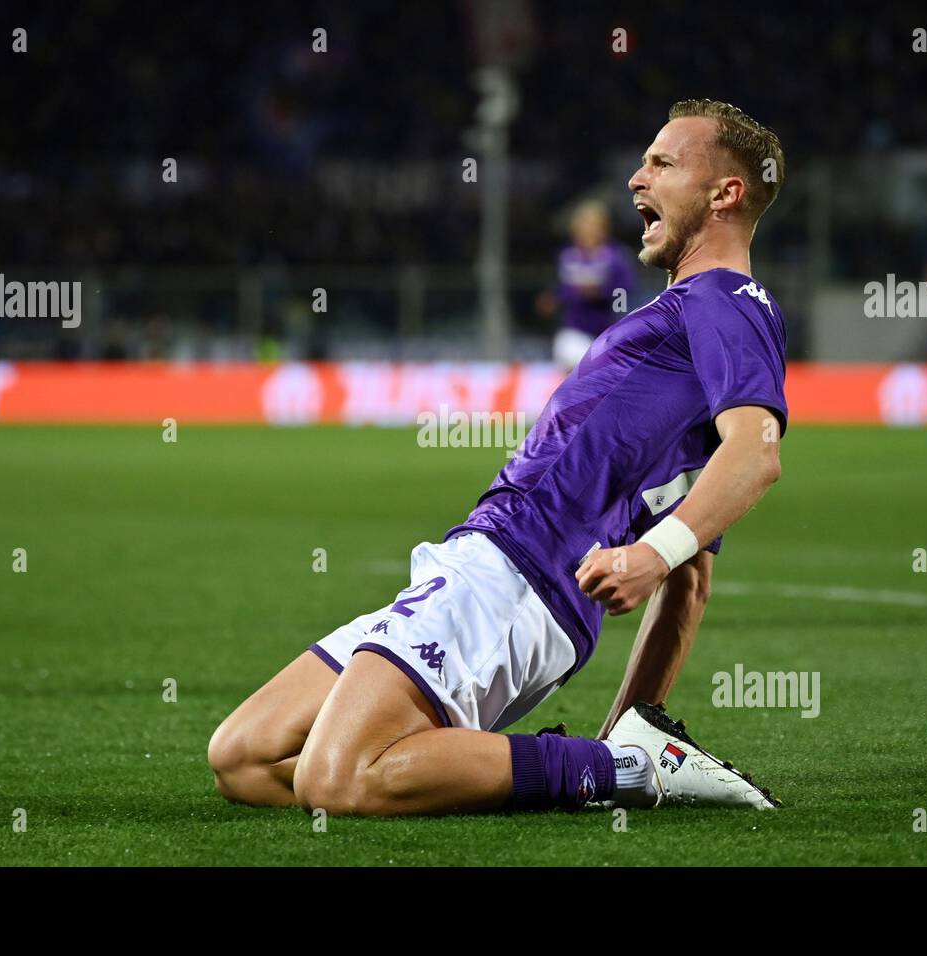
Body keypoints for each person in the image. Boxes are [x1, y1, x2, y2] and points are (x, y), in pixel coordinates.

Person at [209, 99, 788, 815]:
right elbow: (693, 580)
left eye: (663, 163)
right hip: (484, 565)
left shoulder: (725, 300)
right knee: (245, 758)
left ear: (726, 192)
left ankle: (624, 771)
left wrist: (652, 555)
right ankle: (619, 764)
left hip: (516, 580)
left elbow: (756, 455)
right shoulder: (686, 335)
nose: (637, 179)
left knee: (336, 779)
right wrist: (631, 724)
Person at [542, 201, 638, 371]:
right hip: (574, 329)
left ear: (605, 229)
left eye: (594, 226)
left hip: (607, 332)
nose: (588, 230)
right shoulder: (567, 256)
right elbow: (558, 289)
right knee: (573, 374)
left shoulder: (616, 256)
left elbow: (625, 291)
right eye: (584, 226)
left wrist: (601, 293)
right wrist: (555, 298)